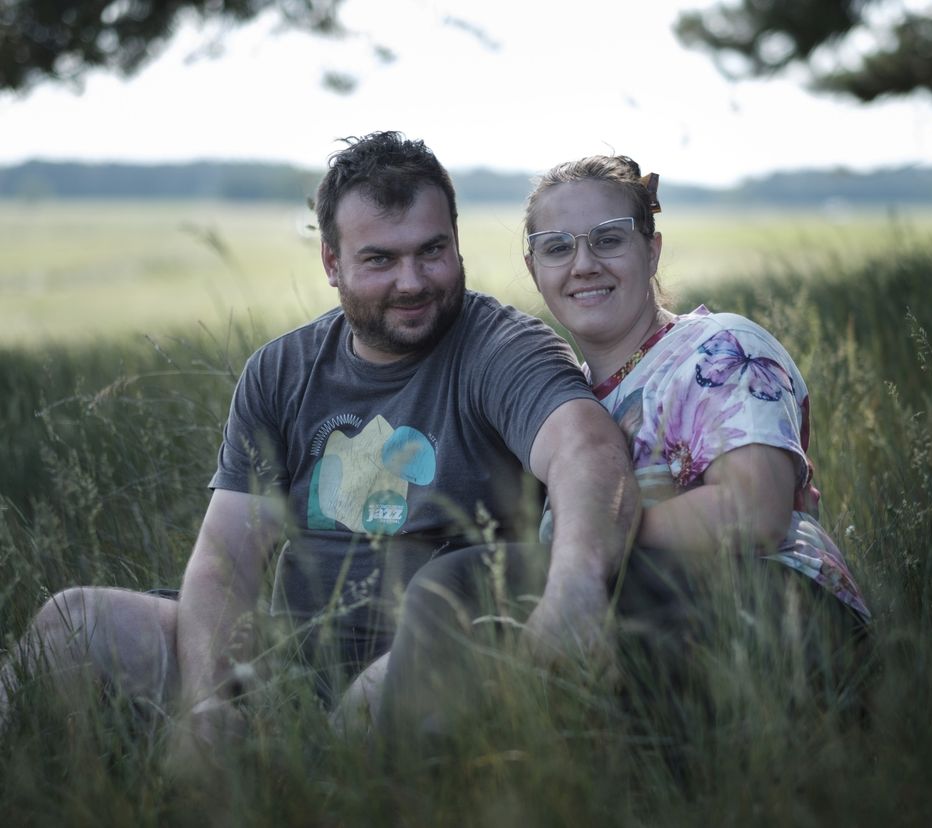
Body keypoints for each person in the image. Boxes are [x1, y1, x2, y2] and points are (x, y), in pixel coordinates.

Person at [0, 134, 641, 754]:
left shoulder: (501, 348)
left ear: (457, 243)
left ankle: (313, 766)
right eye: (380, 259)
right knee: (70, 623)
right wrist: (207, 704)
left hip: (431, 664)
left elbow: (589, 449)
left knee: (364, 709)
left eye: (431, 250)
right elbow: (228, 555)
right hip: (284, 657)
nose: (413, 280)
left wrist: (575, 592)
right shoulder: (281, 370)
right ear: (332, 264)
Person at [372, 154, 870, 747]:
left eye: (609, 239)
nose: (583, 265)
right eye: (557, 248)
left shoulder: (719, 347)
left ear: (652, 251)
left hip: (781, 615)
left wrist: (592, 540)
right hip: (656, 615)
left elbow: (754, 511)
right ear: (534, 269)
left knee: (459, 583)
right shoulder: (567, 407)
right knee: (477, 617)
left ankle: (416, 780)